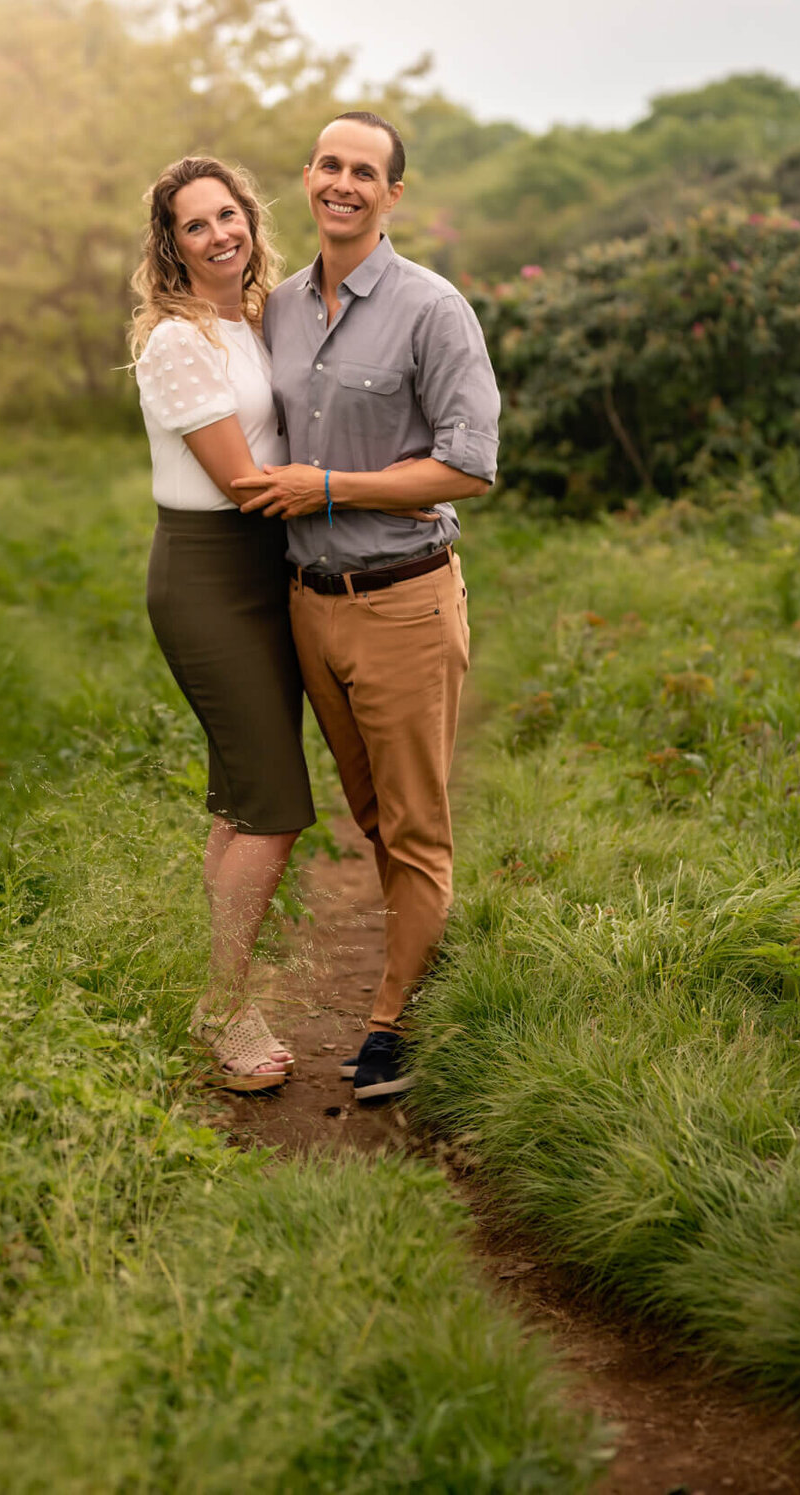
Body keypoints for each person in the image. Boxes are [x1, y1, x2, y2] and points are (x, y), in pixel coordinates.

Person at [234, 111, 500, 1102]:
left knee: (415, 824)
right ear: (307, 178)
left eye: (366, 171)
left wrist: (331, 486)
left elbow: (472, 464)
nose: (344, 182)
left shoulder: (435, 310)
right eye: (330, 164)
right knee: (374, 817)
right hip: (311, 605)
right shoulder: (279, 308)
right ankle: (432, 970)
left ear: (393, 194)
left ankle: (393, 1024)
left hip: (403, 600)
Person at [130, 155, 316, 1093]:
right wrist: (368, 501)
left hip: (266, 569)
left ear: (251, 218)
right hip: (209, 574)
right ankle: (225, 1005)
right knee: (276, 808)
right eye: (195, 225)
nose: (220, 235)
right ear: (173, 246)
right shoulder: (177, 341)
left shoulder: (264, 318)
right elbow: (245, 482)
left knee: (241, 797)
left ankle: (215, 988)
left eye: (229, 214)